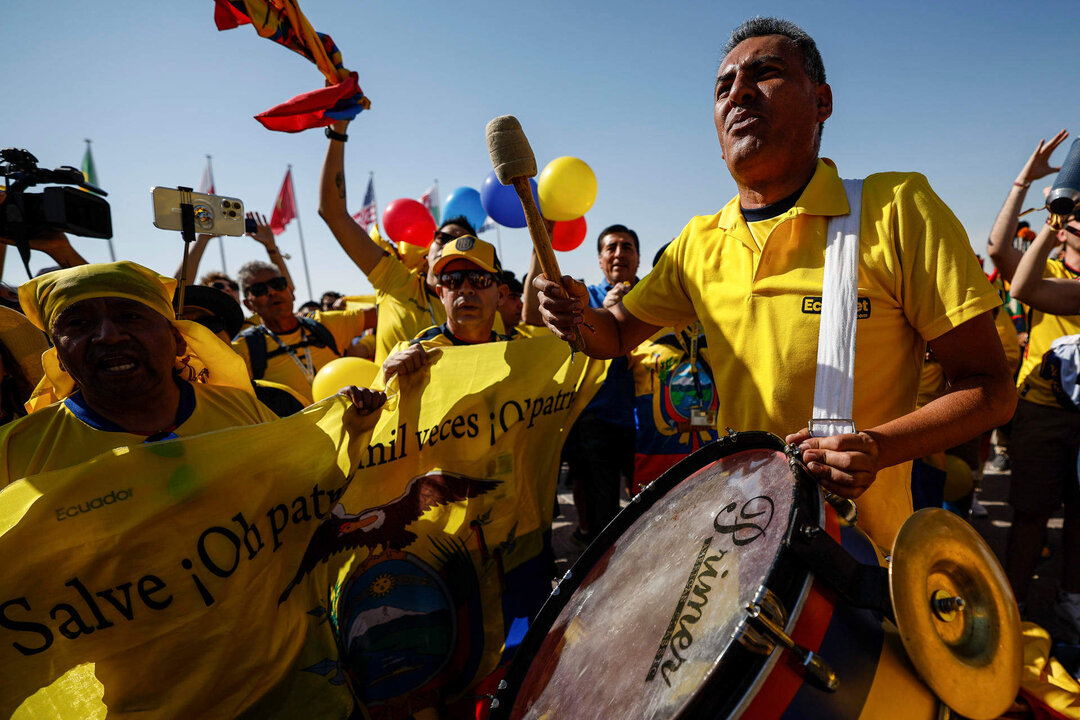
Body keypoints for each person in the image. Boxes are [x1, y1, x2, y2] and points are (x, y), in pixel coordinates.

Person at [535, 17, 1015, 549]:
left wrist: (877, 447)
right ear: (717, 134)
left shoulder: (897, 210)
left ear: (822, 101)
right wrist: (575, 314)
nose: (739, 91)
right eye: (724, 87)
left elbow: (991, 390)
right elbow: (613, 334)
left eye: (765, 73)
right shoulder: (698, 241)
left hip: (863, 560)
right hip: (741, 544)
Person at [0, 261, 281, 485]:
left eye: (130, 316)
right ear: (58, 356)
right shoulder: (14, 451)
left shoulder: (246, 412)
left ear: (178, 339)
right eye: (78, 322)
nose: (109, 336)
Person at [987, 128, 1080, 632]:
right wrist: (1030, 184)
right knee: (1029, 515)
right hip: (1041, 410)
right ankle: (1013, 603)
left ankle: (1070, 599)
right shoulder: (1052, 276)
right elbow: (1001, 252)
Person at [318, 119, 509, 363]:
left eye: (463, 242)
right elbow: (333, 213)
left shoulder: (489, 311)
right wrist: (338, 133)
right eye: (443, 238)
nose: (450, 245)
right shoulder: (394, 279)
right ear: (427, 249)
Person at [558, 225, 642, 544]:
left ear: (638, 258)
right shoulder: (585, 298)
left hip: (645, 424)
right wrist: (607, 313)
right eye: (611, 247)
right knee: (602, 516)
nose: (619, 253)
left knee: (651, 506)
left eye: (627, 247)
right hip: (598, 421)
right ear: (599, 259)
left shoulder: (655, 298)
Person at [231, 260, 376, 405]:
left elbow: (389, 313)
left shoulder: (324, 323)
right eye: (259, 289)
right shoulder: (242, 350)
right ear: (249, 304)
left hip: (348, 423)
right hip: (293, 427)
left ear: (291, 293)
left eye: (278, 284)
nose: (272, 292)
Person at [382, 235, 511, 379]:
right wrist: (386, 381)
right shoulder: (413, 355)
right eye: (452, 280)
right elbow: (375, 397)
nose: (465, 289)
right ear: (441, 294)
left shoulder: (516, 352)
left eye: (479, 279)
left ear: (501, 295)